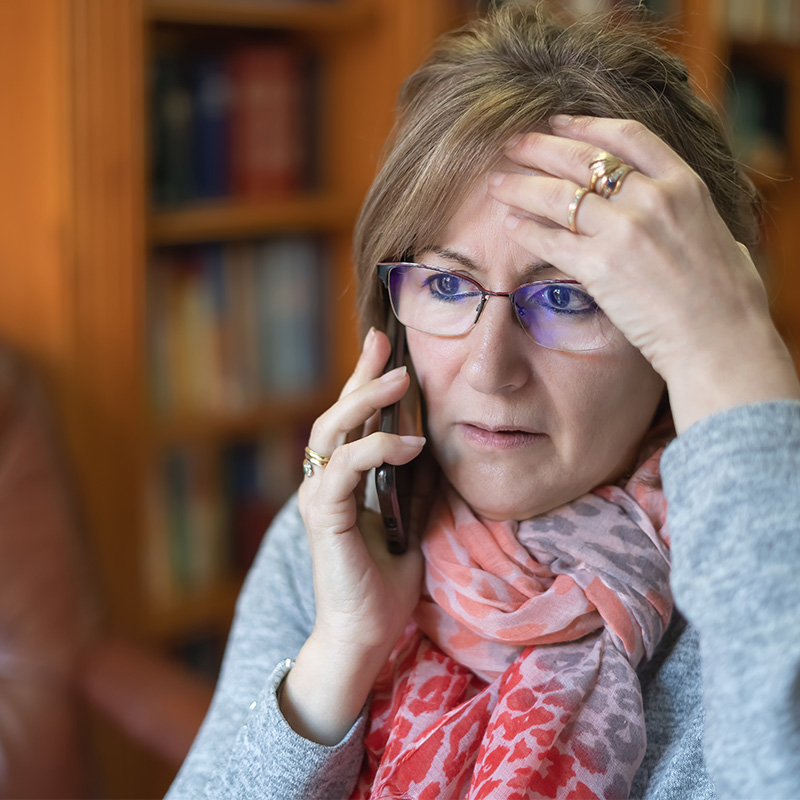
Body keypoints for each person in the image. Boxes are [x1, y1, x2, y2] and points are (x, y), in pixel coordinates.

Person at [166, 3, 800, 798]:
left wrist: (739, 368)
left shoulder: (767, 541)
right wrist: (337, 658)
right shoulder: (346, 531)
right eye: (444, 283)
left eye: (568, 298)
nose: (490, 368)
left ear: (681, 328)